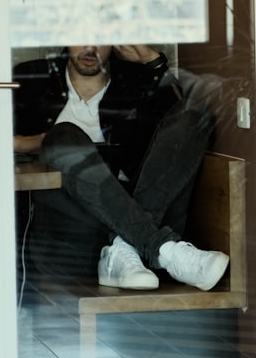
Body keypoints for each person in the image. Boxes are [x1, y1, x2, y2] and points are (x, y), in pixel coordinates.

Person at [13, 44, 229, 291]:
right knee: (63, 136)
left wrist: (152, 61)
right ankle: (161, 248)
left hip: (139, 219)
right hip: (74, 235)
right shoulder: (33, 79)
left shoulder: (133, 82)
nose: (90, 47)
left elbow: (177, 133)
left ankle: (125, 247)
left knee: (194, 114)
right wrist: (39, 142)